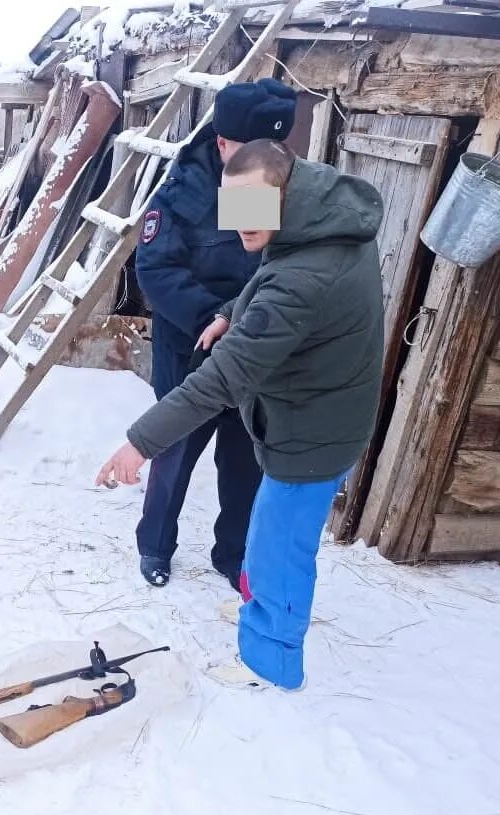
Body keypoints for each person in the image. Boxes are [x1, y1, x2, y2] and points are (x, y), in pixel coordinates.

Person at [97, 139, 385, 690]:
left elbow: (222, 379)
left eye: (253, 208)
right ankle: (261, 609)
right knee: (263, 531)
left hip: (311, 435)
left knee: (282, 552)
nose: (242, 226)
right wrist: (233, 311)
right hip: (317, 409)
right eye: (235, 208)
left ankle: (269, 662)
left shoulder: (303, 278)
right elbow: (271, 273)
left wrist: (140, 442)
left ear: (282, 190)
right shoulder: (317, 217)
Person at [133, 77, 297, 590]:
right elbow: (156, 272)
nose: (266, 163)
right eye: (253, 151)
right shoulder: (184, 193)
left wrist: (252, 324)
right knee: (173, 459)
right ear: (224, 143)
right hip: (191, 358)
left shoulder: (262, 187)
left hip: (250, 360)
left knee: (243, 464)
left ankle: (232, 554)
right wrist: (213, 317)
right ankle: (156, 547)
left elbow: (263, 268)